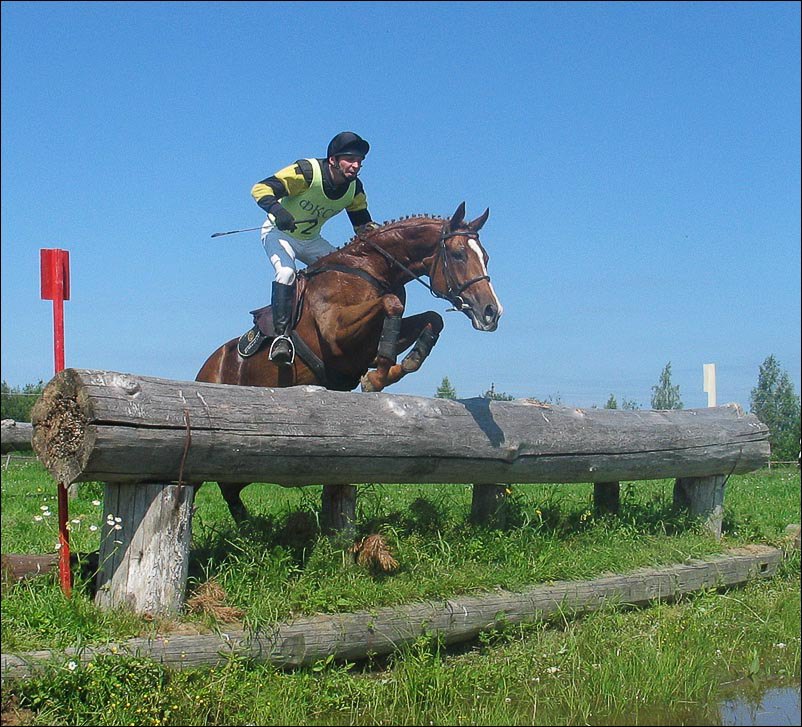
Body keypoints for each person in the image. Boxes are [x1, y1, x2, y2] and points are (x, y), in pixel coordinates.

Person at [251, 131, 378, 365]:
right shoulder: (307, 172)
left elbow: (362, 226)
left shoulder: (354, 189)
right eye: (350, 159)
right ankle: (281, 337)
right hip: (278, 233)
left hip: (311, 240)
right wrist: (279, 212)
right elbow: (260, 189)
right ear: (333, 160)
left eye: (359, 161)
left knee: (346, 274)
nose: (356, 165)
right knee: (286, 273)